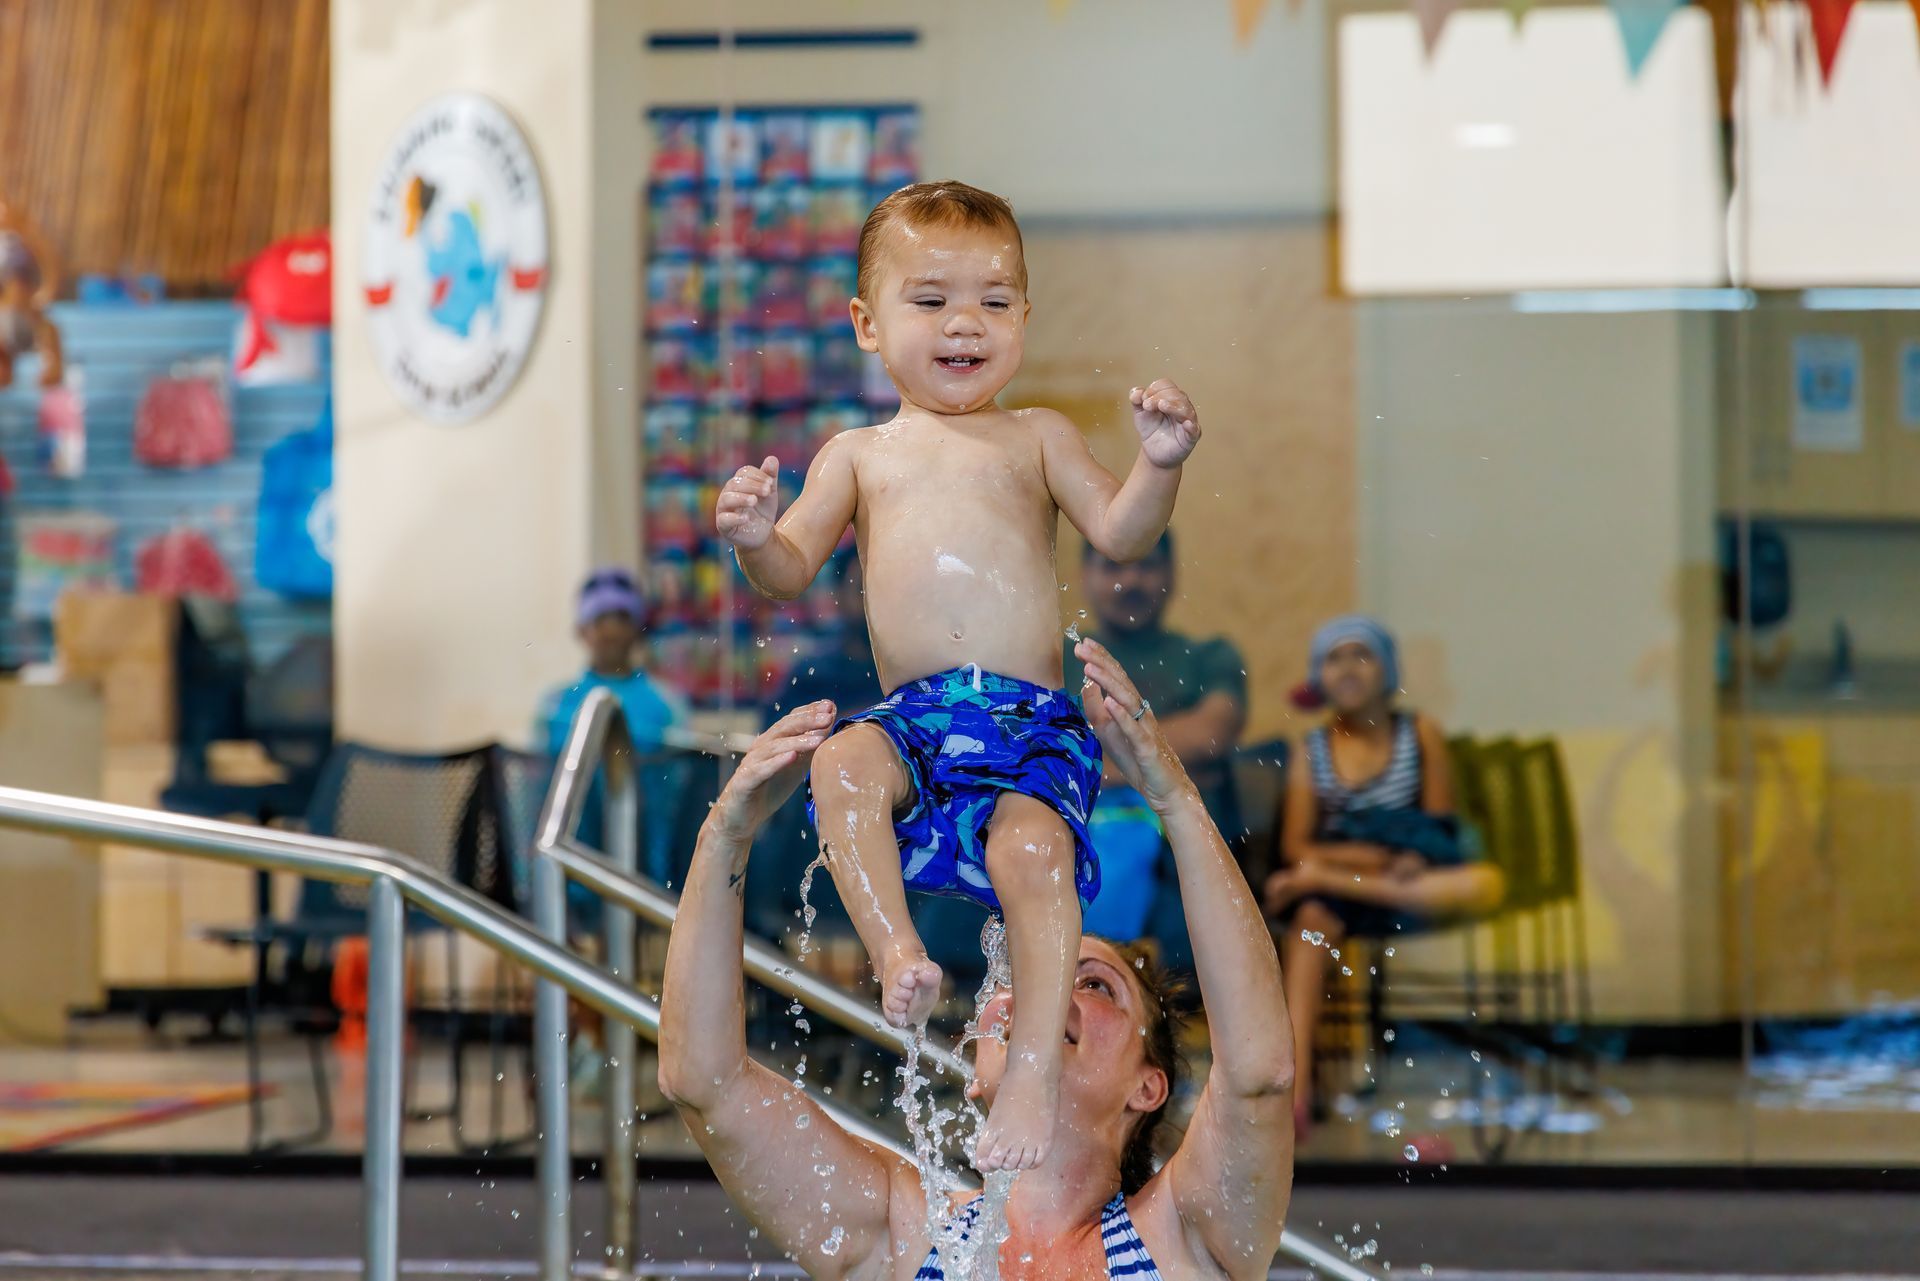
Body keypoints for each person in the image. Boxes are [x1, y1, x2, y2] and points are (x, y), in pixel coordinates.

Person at [715, 180, 1203, 1171]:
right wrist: (755, 538)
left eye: (993, 299)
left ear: (1024, 316)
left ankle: (1027, 1068)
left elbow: (1120, 529)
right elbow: (788, 571)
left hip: (1027, 726)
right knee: (841, 765)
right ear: (866, 322)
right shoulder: (856, 457)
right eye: (931, 300)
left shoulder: (1040, 439)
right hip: (917, 721)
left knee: (1034, 861)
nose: (965, 324)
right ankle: (899, 952)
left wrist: (1159, 465)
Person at [659, 640, 1294, 1281]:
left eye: (1098, 986)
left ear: (1147, 1087)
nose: (1041, 1002)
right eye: (1024, 982)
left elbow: (1259, 1074)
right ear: (974, 1070)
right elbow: (703, 1083)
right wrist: (726, 833)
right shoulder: (902, 1230)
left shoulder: (1184, 1236)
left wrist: (1175, 801)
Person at [1262, 615, 1504, 1133]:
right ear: (1318, 675)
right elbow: (1298, 845)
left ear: (1387, 668)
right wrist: (1372, 862)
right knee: (1308, 924)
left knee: (1484, 882)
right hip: (1362, 888)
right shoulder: (1313, 750)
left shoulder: (1420, 734)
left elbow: (1437, 827)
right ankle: (1296, 1092)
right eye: (1334, 658)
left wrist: (1337, 866)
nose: (1348, 669)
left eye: (1362, 655)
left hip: (1412, 886)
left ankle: (1325, 885)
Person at [1064, 532, 1248, 964]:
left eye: (1146, 566)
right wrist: (1165, 761)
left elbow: (1210, 734)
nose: (1131, 581)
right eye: (1113, 567)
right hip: (1073, 833)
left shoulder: (1208, 656)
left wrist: (1093, 762)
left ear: (1170, 573)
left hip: (1175, 843)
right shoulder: (1057, 657)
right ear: (1086, 575)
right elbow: (1034, 748)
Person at [534, 567, 690, 757]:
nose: (612, 630)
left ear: (639, 629)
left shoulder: (668, 705)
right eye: (600, 620)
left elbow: (682, 778)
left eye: (622, 618)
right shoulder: (553, 706)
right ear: (581, 631)